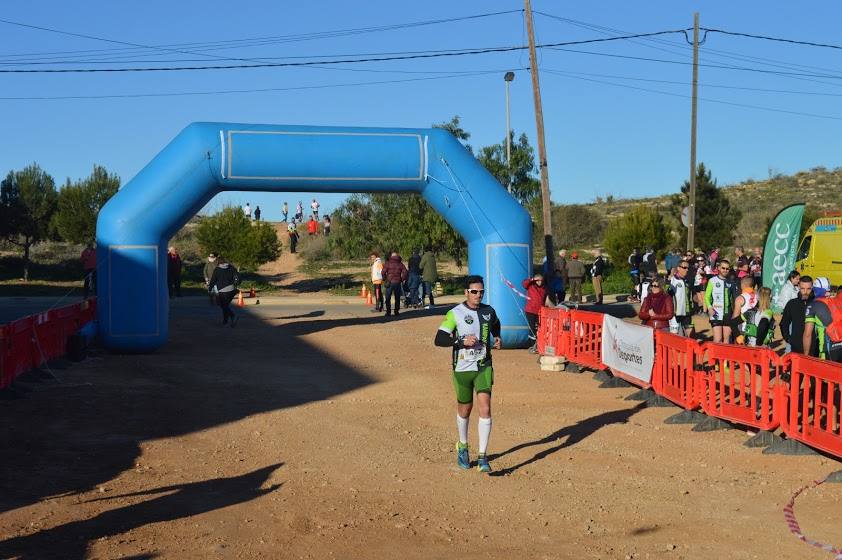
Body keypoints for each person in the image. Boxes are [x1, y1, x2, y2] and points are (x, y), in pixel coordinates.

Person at [434, 275, 501, 473]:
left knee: (485, 408)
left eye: (481, 292)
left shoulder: (489, 311)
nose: (478, 295)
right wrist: (461, 342)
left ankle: (482, 456)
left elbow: (496, 323)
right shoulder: (455, 313)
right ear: (466, 292)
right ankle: (463, 445)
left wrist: (497, 337)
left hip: (483, 365)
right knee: (465, 410)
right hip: (462, 369)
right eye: (474, 291)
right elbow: (439, 339)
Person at [803, 288, 842, 362]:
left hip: (827, 349)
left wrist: (806, 356)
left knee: (828, 373)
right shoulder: (835, 301)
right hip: (840, 343)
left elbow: (807, 334)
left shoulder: (813, 305)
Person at [780, 276, 815, 354]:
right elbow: (783, 323)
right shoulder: (792, 304)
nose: (805, 291)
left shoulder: (817, 303)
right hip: (796, 349)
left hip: (814, 350)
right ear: (799, 287)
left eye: (808, 289)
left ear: (812, 288)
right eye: (803, 288)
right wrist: (788, 339)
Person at [704, 259, 735, 343]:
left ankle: (724, 356)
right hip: (715, 313)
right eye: (723, 268)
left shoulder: (731, 282)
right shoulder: (712, 281)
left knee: (727, 339)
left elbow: (734, 299)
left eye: (727, 269)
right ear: (718, 268)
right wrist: (709, 308)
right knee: (718, 339)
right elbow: (706, 297)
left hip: (727, 314)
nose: (725, 270)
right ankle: (714, 356)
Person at [208, 256, 240, 328]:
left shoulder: (217, 269)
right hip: (232, 290)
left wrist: (210, 289)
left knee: (223, 306)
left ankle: (232, 316)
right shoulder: (231, 267)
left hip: (223, 290)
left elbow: (213, 280)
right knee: (225, 306)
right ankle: (225, 321)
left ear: (218, 262)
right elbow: (238, 277)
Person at [522, 273, 547, 353]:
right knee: (532, 328)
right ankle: (532, 345)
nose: (540, 282)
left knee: (540, 328)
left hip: (540, 312)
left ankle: (540, 345)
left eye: (541, 281)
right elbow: (524, 283)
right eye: (538, 280)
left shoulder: (544, 288)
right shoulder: (530, 286)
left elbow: (545, 299)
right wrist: (532, 279)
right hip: (530, 311)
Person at [668, 259, 694, 336]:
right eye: (684, 267)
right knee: (675, 337)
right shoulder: (672, 280)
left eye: (687, 268)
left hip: (687, 312)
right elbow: (667, 295)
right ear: (678, 268)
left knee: (690, 337)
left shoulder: (687, 281)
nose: (687, 269)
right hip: (676, 313)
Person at [382, 251, 408, 317]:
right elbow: (405, 272)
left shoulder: (388, 263)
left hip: (389, 282)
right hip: (397, 282)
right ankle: (396, 311)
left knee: (388, 297)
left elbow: (383, 272)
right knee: (397, 297)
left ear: (391, 256)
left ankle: (388, 312)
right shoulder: (400, 264)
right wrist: (402, 279)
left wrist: (385, 279)